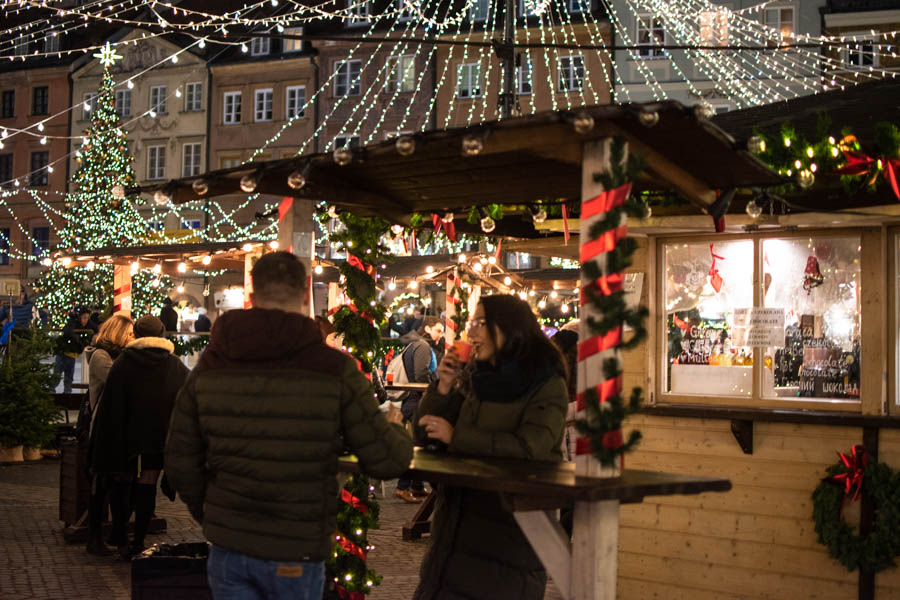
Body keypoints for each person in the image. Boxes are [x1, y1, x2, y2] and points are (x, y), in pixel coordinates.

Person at [165, 251, 413, 600]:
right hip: (297, 549)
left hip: (230, 548)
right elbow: (387, 460)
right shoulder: (334, 369)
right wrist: (397, 425)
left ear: (251, 294)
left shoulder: (211, 364)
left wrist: (213, 515)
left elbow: (178, 460)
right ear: (304, 292)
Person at [412, 295, 568, 600]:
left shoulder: (545, 382)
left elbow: (531, 448)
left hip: (509, 535)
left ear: (509, 328)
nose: (471, 333)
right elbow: (424, 437)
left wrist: (457, 438)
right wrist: (442, 387)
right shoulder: (474, 376)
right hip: (454, 529)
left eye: (480, 323)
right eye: (473, 323)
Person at [90, 315, 189, 558]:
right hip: (157, 439)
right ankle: (139, 542)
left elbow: (111, 405)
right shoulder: (175, 365)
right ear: (162, 333)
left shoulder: (124, 363)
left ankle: (122, 540)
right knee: (147, 484)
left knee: (121, 485)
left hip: (125, 437)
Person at [83, 313, 134, 556]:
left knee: (120, 485)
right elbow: (118, 382)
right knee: (102, 485)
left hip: (121, 429)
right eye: (130, 334)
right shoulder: (101, 356)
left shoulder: (121, 356)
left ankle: (118, 534)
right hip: (104, 429)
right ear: (118, 333)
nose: (133, 338)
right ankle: (95, 537)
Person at [394, 316, 444, 503]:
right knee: (417, 444)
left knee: (419, 443)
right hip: (416, 401)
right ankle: (402, 487)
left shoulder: (415, 344)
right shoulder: (422, 346)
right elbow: (421, 374)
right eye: (438, 330)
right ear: (428, 328)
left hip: (413, 400)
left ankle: (415, 485)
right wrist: (428, 397)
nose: (441, 335)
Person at [54, 307, 91, 393]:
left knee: (69, 380)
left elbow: (94, 327)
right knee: (56, 379)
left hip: (72, 356)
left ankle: (67, 397)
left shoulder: (84, 327)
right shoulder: (73, 323)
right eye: (84, 317)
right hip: (63, 355)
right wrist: (77, 340)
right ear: (79, 317)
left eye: (87, 318)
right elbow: (67, 331)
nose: (86, 320)